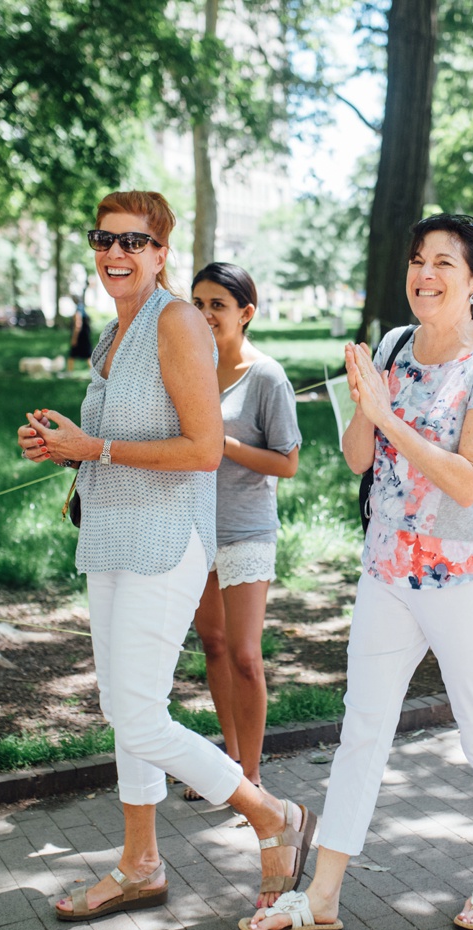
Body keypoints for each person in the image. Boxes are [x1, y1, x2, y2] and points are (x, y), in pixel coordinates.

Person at [17, 191, 315, 923]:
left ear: (159, 253)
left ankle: (271, 814)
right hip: (111, 536)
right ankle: (140, 865)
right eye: (104, 239)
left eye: (132, 242)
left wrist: (96, 448)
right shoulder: (111, 337)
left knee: (143, 717)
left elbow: (205, 451)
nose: (115, 253)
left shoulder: (178, 321)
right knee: (124, 710)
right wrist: (65, 451)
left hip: (166, 540)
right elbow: (115, 444)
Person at [243, 213, 473, 930]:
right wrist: (364, 403)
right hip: (387, 569)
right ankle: (323, 896)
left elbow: (468, 482)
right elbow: (356, 459)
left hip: (465, 574)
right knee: (362, 728)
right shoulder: (396, 346)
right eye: (417, 260)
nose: (425, 274)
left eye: (444, 262)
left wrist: (387, 412)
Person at [183, 262, 301, 798]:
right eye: (198, 304)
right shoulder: (188, 368)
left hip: (247, 530)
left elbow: (288, 462)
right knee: (212, 645)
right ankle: (228, 765)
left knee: (245, 655)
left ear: (245, 313)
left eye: (218, 306)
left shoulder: (267, 376)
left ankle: (251, 779)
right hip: (194, 529)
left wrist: (223, 443)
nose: (205, 315)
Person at [66, 300, 92, 375]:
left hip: (79, 337)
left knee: (72, 355)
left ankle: (69, 372)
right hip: (85, 337)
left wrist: (74, 338)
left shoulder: (78, 312)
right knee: (87, 356)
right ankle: (93, 373)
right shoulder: (84, 313)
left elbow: (78, 325)